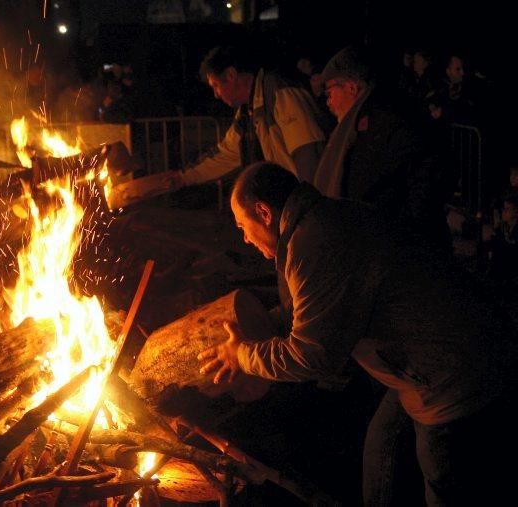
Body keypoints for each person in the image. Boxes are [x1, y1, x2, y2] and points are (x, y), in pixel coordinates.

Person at [198, 162, 517, 506]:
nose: (244, 238)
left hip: (453, 375)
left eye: (243, 226)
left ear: (263, 212)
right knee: (383, 446)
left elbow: (313, 356)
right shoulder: (321, 220)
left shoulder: (315, 243)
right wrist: (260, 327)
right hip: (428, 361)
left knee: (445, 476)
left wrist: (243, 356)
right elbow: (314, 310)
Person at [313, 45, 452, 252]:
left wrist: (402, 232)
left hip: (398, 247)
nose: (328, 102)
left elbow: (420, 179)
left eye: (330, 91)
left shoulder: (386, 120)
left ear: (351, 87)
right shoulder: (359, 124)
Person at [177, 45, 327, 187]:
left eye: (215, 85)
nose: (216, 95)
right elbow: (225, 155)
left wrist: (307, 205)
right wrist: (180, 178)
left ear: (230, 75)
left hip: (304, 203)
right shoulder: (247, 112)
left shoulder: (279, 92)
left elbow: (309, 153)